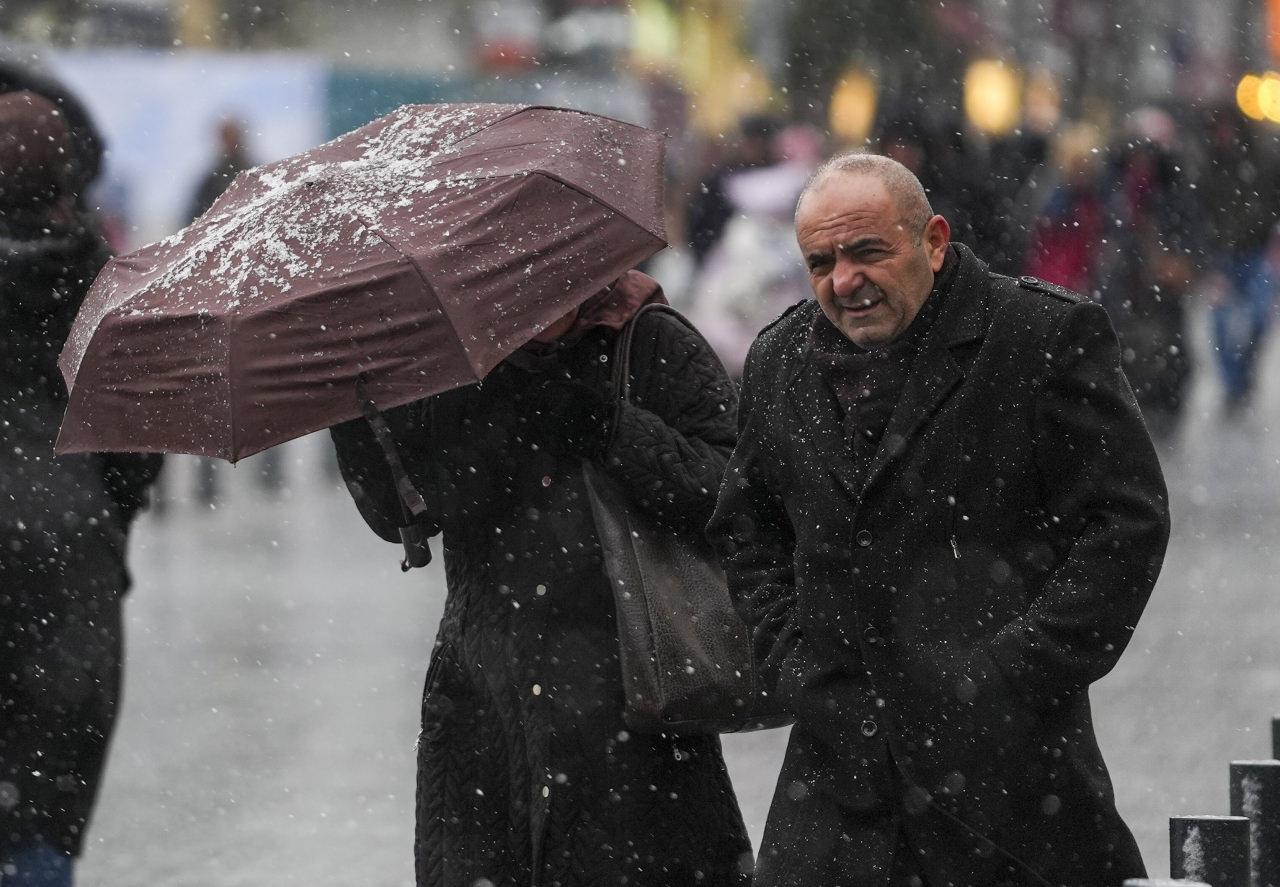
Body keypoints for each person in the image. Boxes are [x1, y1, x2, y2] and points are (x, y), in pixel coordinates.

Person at [708, 153, 1169, 886]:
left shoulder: (1040, 335)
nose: (844, 281)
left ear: (933, 241)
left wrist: (1009, 674)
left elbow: (1126, 524)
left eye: (867, 252)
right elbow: (748, 531)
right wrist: (798, 665)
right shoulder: (779, 358)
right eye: (821, 262)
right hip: (837, 785)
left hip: (1011, 784)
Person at [329, 271, 752, 886]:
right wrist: (355, 408)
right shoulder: (453, 361)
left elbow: (732, 491)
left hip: (636, 700)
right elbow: (402, 513)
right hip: (483, 707)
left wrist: (609, 428)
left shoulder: (649, 341)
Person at [0, 83, 162, 884]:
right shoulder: (105, 286)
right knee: (45, 811)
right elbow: (139, 447)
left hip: (62, 549)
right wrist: (104, 517)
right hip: (70, 561)